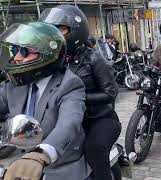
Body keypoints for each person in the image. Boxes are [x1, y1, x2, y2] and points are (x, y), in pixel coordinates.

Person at [39, 5, 121, 180]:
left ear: (76, 30)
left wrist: (77, 99)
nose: (55, 34)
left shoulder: (94, 58)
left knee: (94, 148)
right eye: (51, 29)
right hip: (68, 119)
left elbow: (110, 93)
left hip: (100, 119)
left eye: (60, 28)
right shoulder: (54, 61)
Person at [0, 21, 89, 180]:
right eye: (15, 50)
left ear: (47, 54)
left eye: (25, 52)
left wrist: (41, 154)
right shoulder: (15, 84)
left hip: (61, 165)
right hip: (24, 161)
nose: (17, 57)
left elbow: (68, 124)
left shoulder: (70, 84)